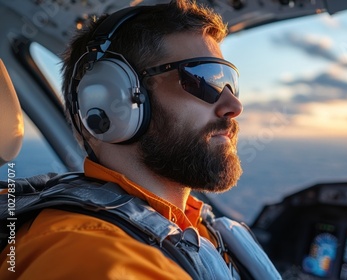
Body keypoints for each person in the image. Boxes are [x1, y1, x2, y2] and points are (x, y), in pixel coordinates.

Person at [0, 1, 280, 279]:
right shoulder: (93, 253)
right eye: (203, 79)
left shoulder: (194, 227)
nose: (234, 105)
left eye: (229, 82)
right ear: (112, 100)